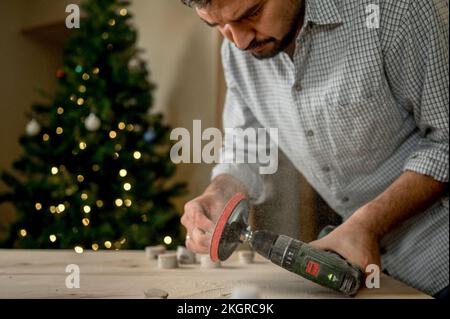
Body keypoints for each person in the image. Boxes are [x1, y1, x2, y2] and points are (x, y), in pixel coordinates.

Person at [180, 0, 449, 298]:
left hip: (441, 260)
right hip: (378, 276)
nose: (240, 41)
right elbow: (249, 148)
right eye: (217, 26)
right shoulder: (237, 53)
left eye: (252, 14)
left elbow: (445, 141)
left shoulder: (396, 12)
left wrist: (368, 224)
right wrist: (220, 193)